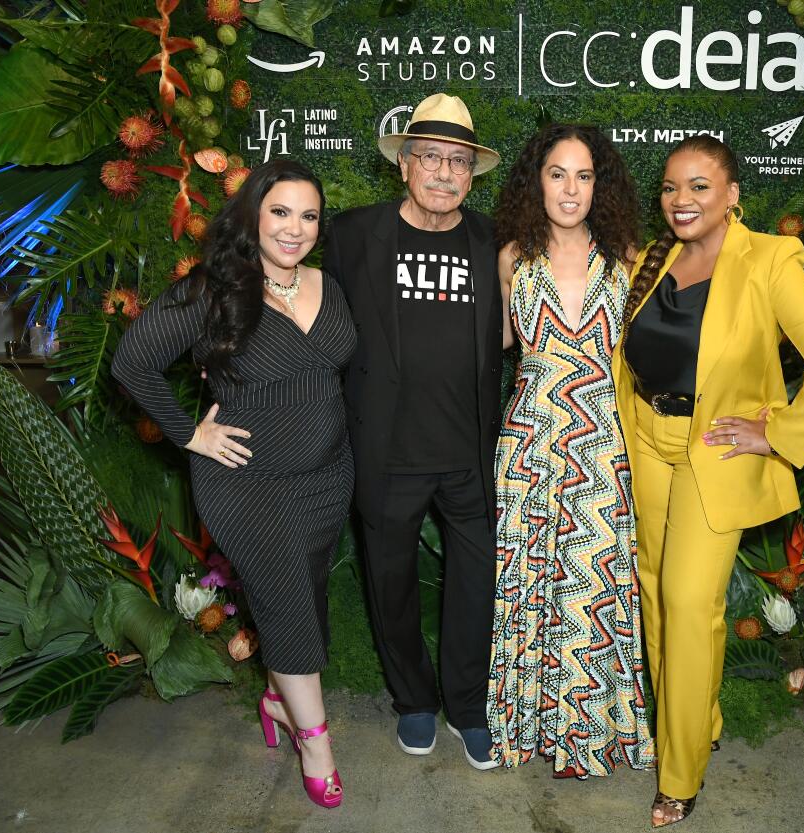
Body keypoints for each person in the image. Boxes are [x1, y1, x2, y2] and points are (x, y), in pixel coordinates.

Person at [613, 136, 804, 827]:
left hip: (712, 456)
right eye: (669, 188)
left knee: (692, 606)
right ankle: (695, 724)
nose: (681, 200)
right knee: (659, 603)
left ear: (731, 195)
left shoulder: (767, 261)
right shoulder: (656, 257)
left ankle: (680, 775)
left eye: (699, 186)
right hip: (649, 448)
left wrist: (776, 432)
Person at [112, 160, 354, 808]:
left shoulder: (329, 285)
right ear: (252, 213)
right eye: (280, 211)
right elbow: (133, 359)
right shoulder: (214, 290)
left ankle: (277, 696)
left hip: (327, 481)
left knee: (304, 597)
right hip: (247, 485)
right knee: (284, 605)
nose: (294, 228)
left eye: (308, 215)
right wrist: (188, 433)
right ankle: (316, 743)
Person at [322, 93, 504, 769]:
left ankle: (467, 703)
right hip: (386, 452)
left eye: (459, 161)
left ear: (471, 173)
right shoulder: (350, 235)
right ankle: (415, 701)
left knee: (476, 584)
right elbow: (303, 310)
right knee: (390, 585)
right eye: (430, 157)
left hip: (469, 453)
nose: (445, 173)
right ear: (405, 165)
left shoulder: (493, 243)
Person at [487, 123, 655, 778]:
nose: (570, 188)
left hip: (600, 444)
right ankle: (525, 724)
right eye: (558, 173)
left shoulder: (629, 262)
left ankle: (585, 733)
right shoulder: (511, 260)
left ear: (600, 186)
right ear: (537, 180)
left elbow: (660, 354)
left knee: (590, 587)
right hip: (528, 444)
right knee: (528, 585)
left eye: (584, 176)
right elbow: (491, 348)